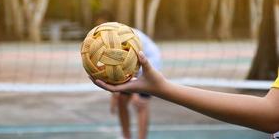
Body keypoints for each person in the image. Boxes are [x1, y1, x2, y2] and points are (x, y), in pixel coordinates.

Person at [91, 51, 279, 138]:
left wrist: (162, 88)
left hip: (147, 66)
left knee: (140, 105)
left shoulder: (131, 42)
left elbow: (272, 115)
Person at [93, 10, 162, 139]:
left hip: (149, 63)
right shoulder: (105, 41)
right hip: (134, 65)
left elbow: (133, 64)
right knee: (121, 100)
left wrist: (135, 92)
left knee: (140, 103)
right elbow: (116, 67)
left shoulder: (124, 37)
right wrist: (115, 95)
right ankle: (127, 136)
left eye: (102, 25)